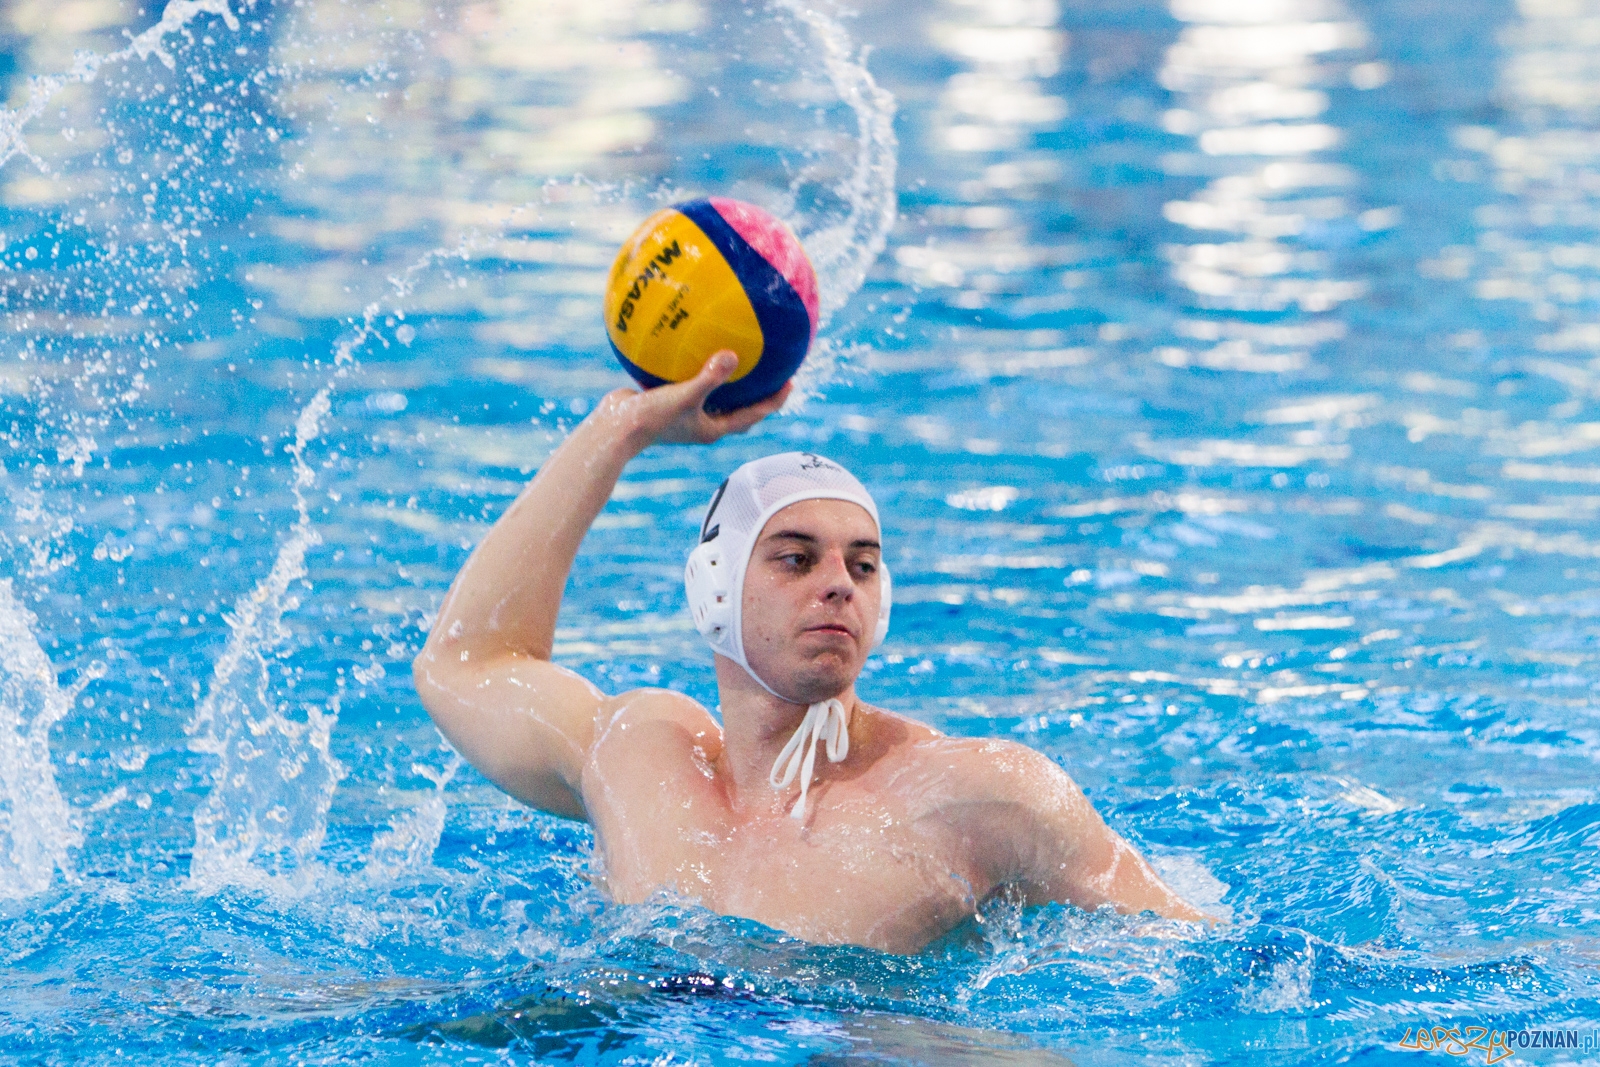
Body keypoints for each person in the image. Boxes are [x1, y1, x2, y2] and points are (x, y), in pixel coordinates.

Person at [414, 351, 1210, 953]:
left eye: (863, 564)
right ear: (715, 590)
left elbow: (1195, 951)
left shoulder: (973, 794)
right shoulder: (638, 756)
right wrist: (620, 431)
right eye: (797, 558)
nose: (839, 585)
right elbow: (466, 663)